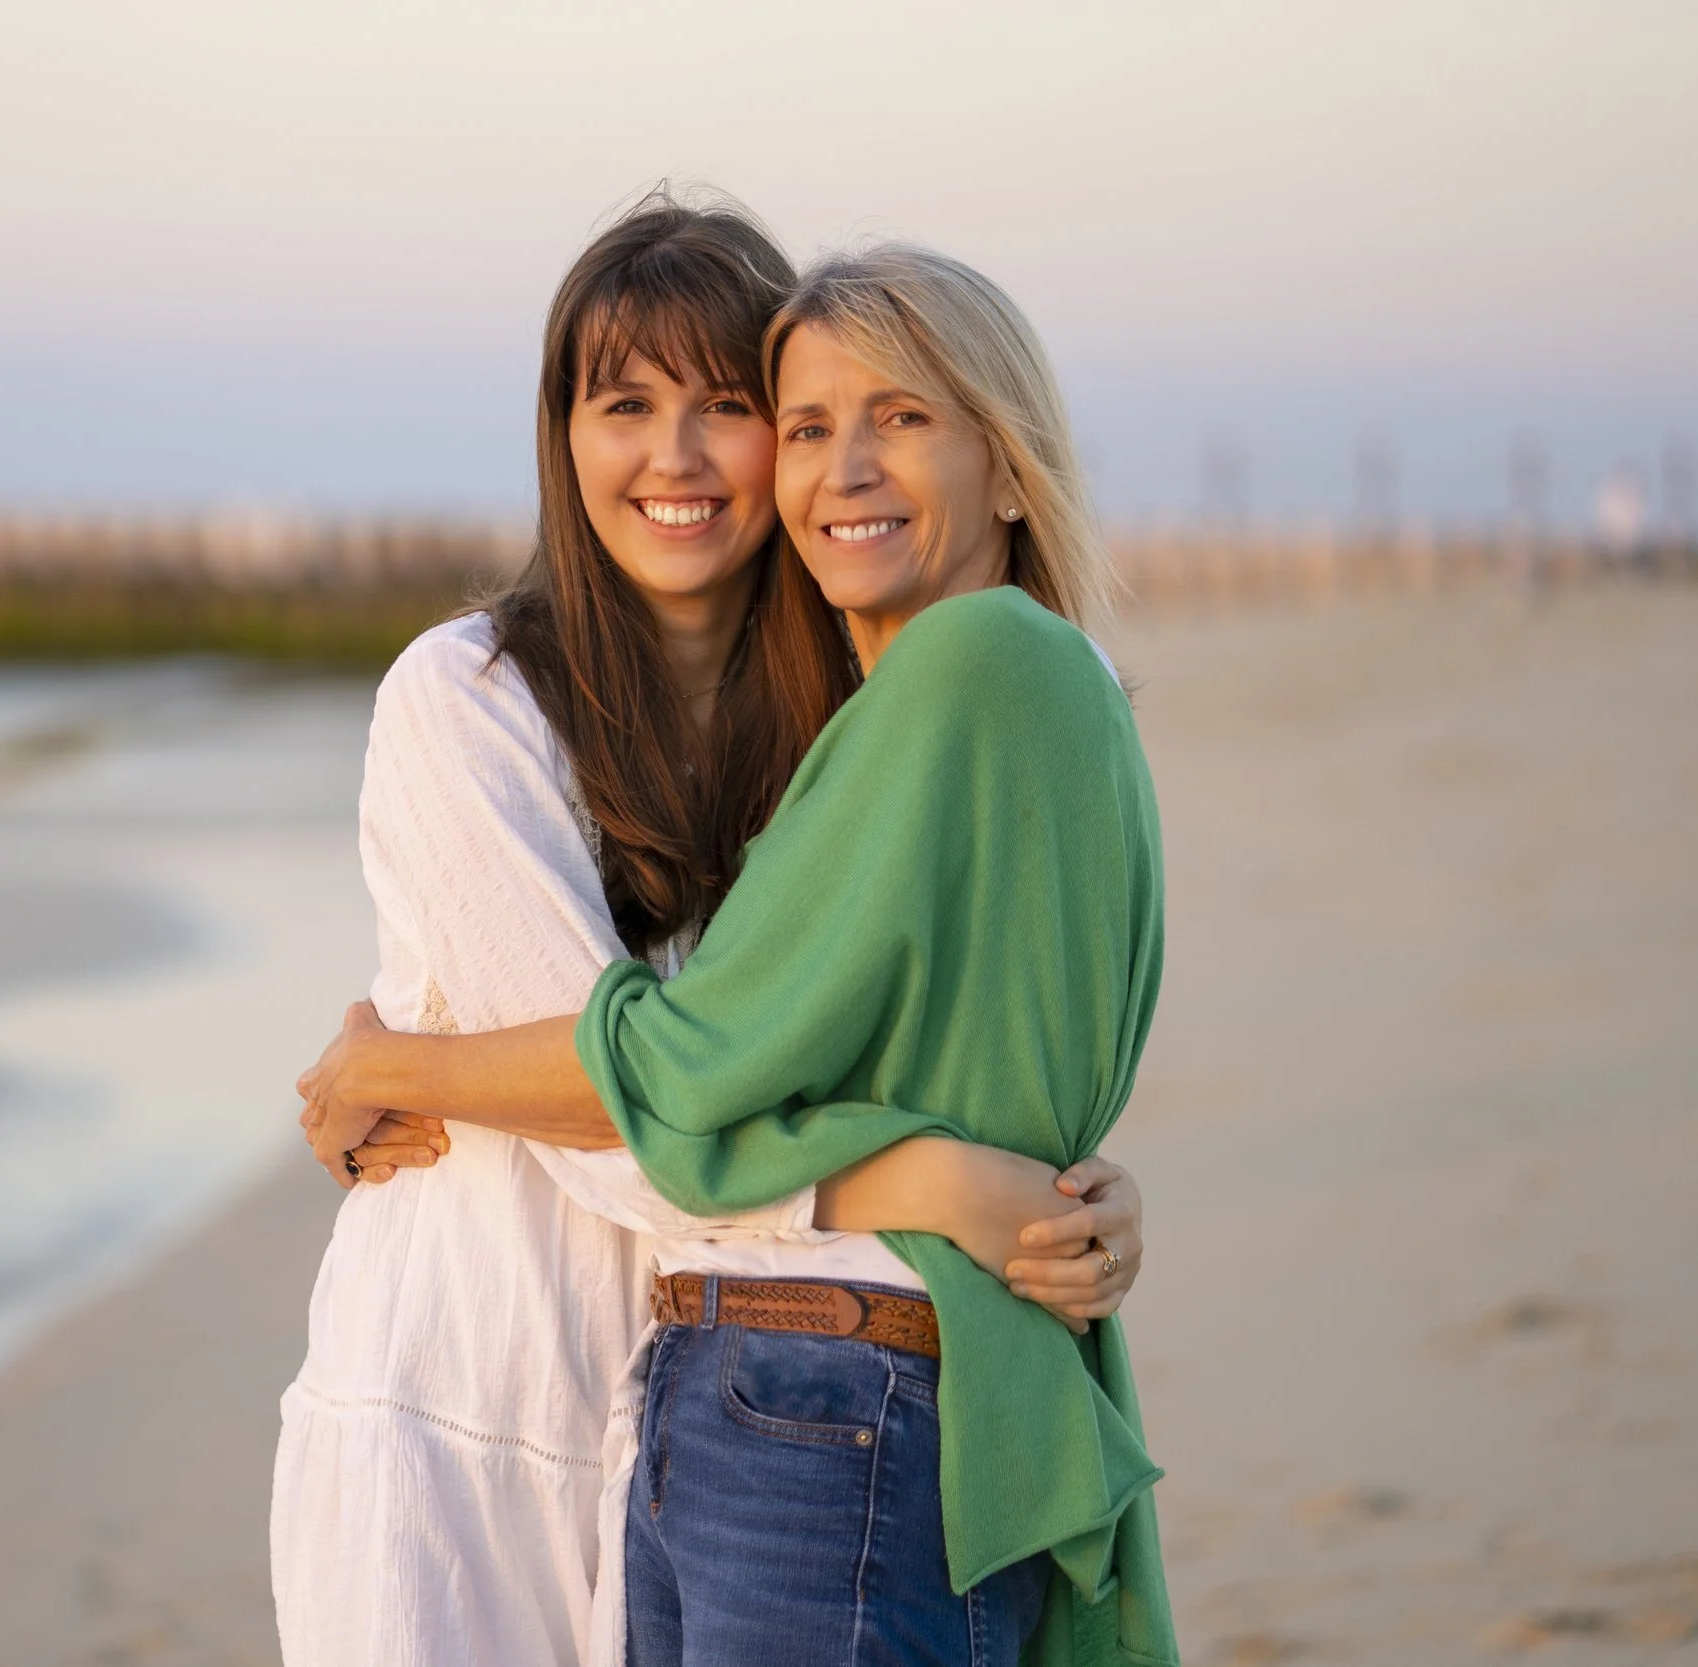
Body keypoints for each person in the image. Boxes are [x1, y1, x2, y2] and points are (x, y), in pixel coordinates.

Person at [271, 198, 1147, 1667]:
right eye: (623, 405)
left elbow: (893, 1034)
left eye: (725, 407)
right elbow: (642, 1130)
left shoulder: (849, 725)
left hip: (689, 1407)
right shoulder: (468, 697)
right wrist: (938, 1181)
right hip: (463, 1416)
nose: (672, 457)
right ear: (564, 439)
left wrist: (1073, 1187)